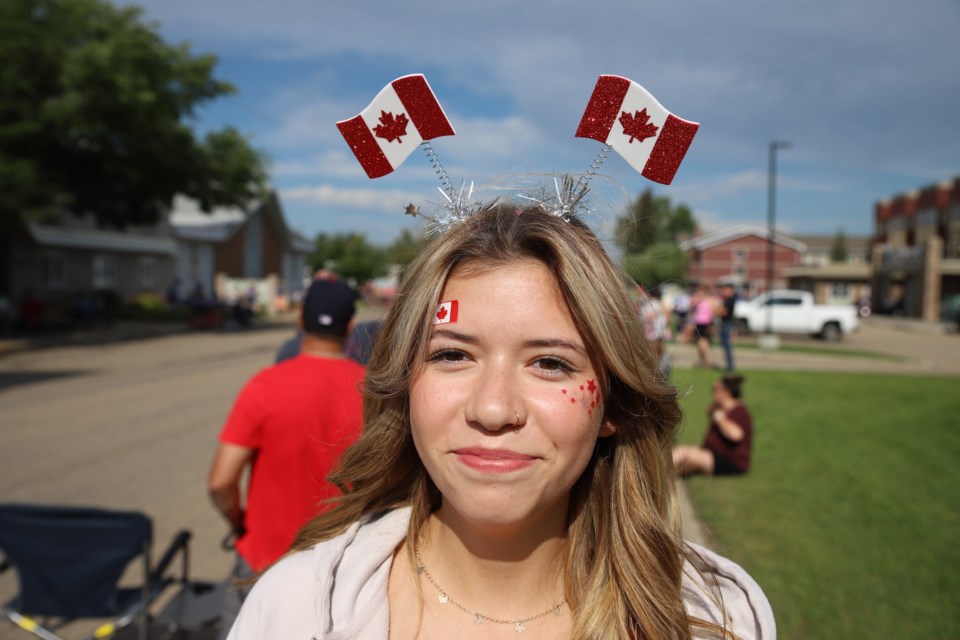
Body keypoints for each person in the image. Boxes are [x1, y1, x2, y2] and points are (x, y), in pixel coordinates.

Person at [223, 203, 773, 639]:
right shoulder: (293, 611)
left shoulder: (717, 619)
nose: (492, 409)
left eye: (551, 364)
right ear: (403, 385)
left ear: (615, 405)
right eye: (452, 355)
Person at [208, 278, 366, 639]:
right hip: (340, 566)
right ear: (349, 328)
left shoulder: (266, 384)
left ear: (299, 320)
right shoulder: (370, 391)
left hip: (263, 558)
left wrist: (238, 522)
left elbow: (221, 482)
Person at [673, 374, 753, 477]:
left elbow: (736, 435)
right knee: (682, 457)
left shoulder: (738, 411)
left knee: (683, 454)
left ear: (727, 392)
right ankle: (661, 479)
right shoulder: (722, 409)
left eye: (716, 389)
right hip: (713, 456)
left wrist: (719, 418)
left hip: (730, 461)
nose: (713, 393)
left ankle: (655, 479)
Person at [690, 284, 717, 368]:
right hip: (698, 322)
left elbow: (713, 312)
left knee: (703, 342)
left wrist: (711, 325)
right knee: (699, 342)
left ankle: (709, 360)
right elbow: (692, 303)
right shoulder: (699, 300)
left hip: (706, 323)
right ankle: (703, 360)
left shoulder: (710, 300)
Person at [717, 283, 739, 372]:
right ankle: (729, 366)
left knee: (727, 345)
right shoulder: (729, 299)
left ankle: (730, 367)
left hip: (727, 323)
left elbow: (724, 313)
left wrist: (717, 310)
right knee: (726, 346)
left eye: (725, 290)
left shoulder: (729, 300)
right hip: (726, 323)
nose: (723, 292)